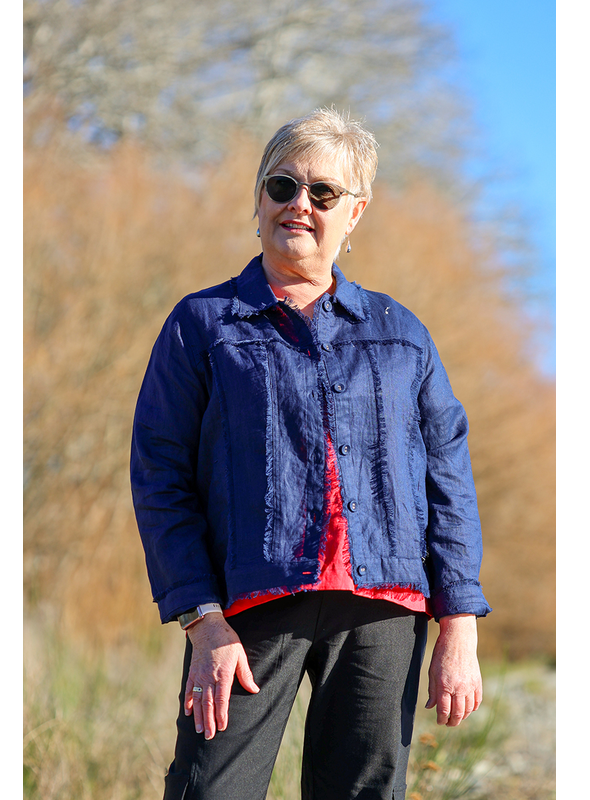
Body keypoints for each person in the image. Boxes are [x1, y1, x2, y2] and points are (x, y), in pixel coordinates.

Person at [131, 107, 492, 800]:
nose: (299, 204)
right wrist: (203, 622)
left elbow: (449, 483)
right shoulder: (200, 325)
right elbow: (160, 478)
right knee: (212, 788)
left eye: (323, 193)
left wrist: (459, 627)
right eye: (282, 185)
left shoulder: (402, 334)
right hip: (246, 609)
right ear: (258, 201)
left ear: (353, 214)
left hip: (384, 609)